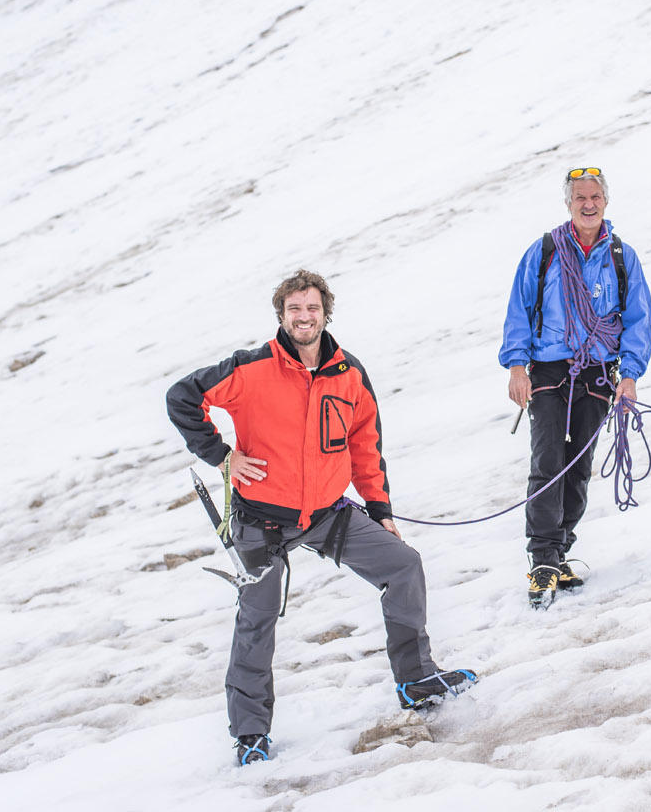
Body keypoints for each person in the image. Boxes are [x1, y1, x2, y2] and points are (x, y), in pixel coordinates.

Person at [166, 269, 475, 766]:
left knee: (403, 566)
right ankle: (250, 735)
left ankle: (416, 680)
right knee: (257, 620)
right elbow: (182, 397)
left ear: (325, 311)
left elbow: (365, 445)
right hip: (260, 519)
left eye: (311, 308)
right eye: (294, 309)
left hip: (326, 513)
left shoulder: (348, 373)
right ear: (281, 315)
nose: (303, 317)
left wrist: (381, 512)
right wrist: (222, 457)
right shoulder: (250, 369)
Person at [500, 167, 651, 608]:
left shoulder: (622, 257)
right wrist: (516, 366)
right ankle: (544, 558)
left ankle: (560, 548)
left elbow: (638, 319)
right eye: (580, 198)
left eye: (596, 197)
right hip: (548, 370)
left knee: (579, 465)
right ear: (568, 204)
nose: (589, 204)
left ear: (606, 202)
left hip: (599, 373)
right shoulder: (545, 251)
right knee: (548, 460)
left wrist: (629, 376)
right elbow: (519, 307)